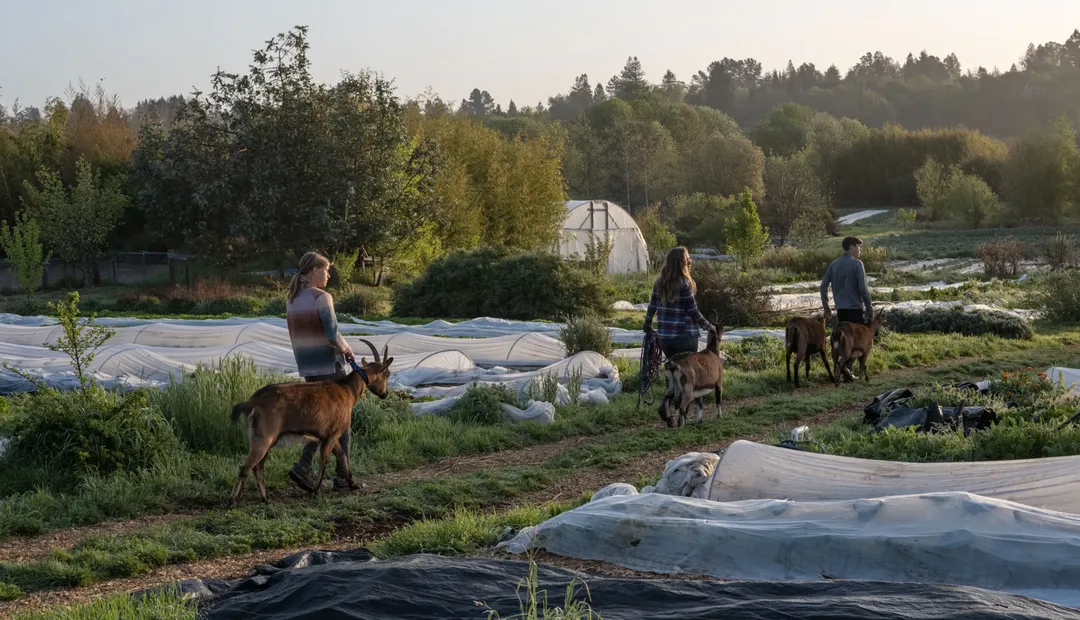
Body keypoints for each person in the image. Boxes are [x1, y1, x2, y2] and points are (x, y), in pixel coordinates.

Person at [285, 251, 360, 492]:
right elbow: (332, 334)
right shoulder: (322, 298)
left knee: (318, 422)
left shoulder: (292, 299)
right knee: (341, 421)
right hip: (330, 367)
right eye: (326, 270)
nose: (328, 274)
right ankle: (341, 478)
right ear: (315, 271)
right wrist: (348, 350)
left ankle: (304, 466)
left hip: (308, 369)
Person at [643, 247, 715, 359]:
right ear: (683, 263)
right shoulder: (685, 283)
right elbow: (693, 311)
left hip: (664, 338)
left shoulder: (659, 283)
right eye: (688, 258)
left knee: (673, 369)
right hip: (684, 336)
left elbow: (652, 307)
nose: (690, 261)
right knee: (687, 372)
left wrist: (647, 324)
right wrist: (709, 327)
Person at [820, 236, 874, 378]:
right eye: (858, 247)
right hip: (855, 310)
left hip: (842, 311)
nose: (860, 250)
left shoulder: (834, 265)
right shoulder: (857, 264)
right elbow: (863, 289)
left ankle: (845, 370)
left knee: (845, 340)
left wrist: (826, 308)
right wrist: (869, 309)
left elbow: (823, 286)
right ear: (851, 248)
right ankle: (846, 367)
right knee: (859, 344)